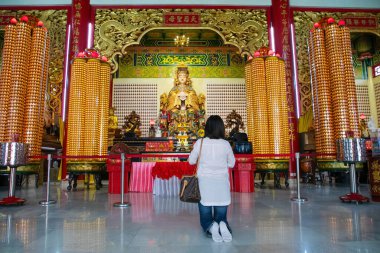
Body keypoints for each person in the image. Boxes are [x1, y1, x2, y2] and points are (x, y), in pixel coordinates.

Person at [188, 115, 236, 243]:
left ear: (207, 128)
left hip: (204, 183)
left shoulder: (200, 142)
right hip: (222, 183)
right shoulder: (226, 144)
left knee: (205, 212)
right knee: (221, 208)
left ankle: (211, 226)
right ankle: (221, 224)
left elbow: (191, 161)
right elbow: (232, 164)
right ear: (221, 128)